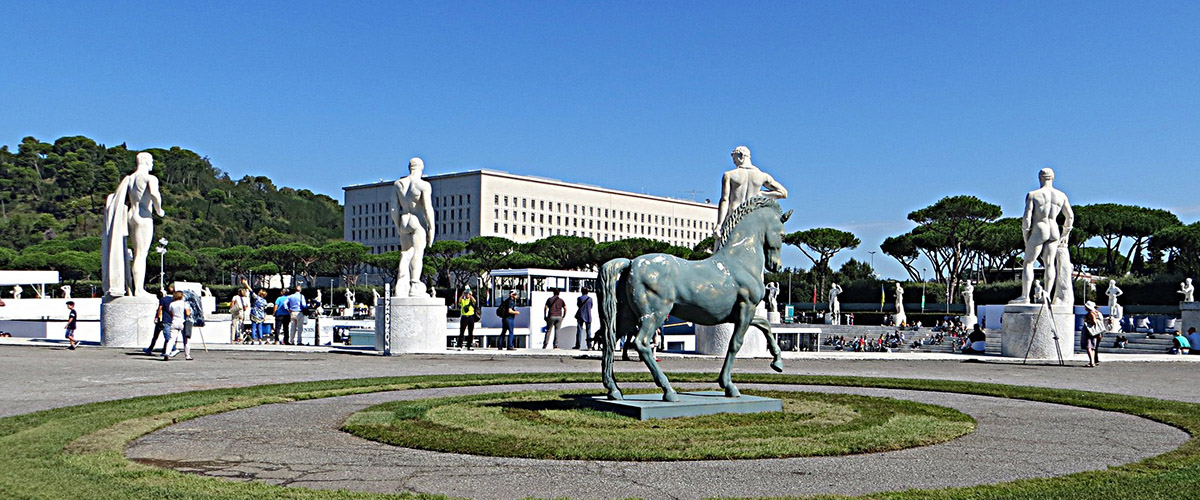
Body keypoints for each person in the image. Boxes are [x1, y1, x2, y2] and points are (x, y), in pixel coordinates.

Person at [1013, 168, 1074, 304]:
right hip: (1054, 229)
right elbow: (1070, 216)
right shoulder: (1061, 195)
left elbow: (1026, 218)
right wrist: (1066, 234)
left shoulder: (1033, 195)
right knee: (1049, 264)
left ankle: (1025, 296)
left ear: (1040, 178)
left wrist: (1025, 235)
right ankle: (1047, 295)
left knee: (1028, 262)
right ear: (1052, 178)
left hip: (1040, 228)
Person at [389, 157, 435, 297]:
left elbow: (393, 209)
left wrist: (398, 225)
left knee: (406, 253)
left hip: (403, 220)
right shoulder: (423, 185)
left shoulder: (398, 184)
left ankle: (401, 284)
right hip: (416, 220)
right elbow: (427, 208)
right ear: (421, 168)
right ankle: (414, 285)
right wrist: (431, 228)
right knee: (417, 253)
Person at [144, 285, 175, 354]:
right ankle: (165, 350)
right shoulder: (175, 300)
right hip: (170, 319)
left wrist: (157, 317)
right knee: (168, 335)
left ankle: (150, 349)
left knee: (157, 336)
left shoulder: (163, 299)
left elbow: (160, 309)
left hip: (162, 320)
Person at [164, 291, 193, 361]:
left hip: (174, 321)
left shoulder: (172, 304)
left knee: (171, 339)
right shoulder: (184, 303)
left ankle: (167, 353)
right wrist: (190, 312)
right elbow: (187, 313)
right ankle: (187, 355)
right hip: (183, 322)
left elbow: (171, 313)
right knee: (186, 340)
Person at [243, 280, 268, 345]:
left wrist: (246, 284)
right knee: (260, 328)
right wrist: (264, 317)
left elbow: (251, 291)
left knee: (253, 328)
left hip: (254, 314)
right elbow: (265, 310)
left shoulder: (257, 298)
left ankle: (253, 340)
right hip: (261, 316)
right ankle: (260, 339)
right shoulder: (265, 301)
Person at [1082, 301, 1104, 367]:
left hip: (1091, 331)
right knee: (1094, 347)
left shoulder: (1091, 313)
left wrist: (1087, 321)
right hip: (1097, 332)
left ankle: (1092, 361)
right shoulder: (1098, 313)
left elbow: (1094, 322)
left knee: (1089, 347)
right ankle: (1093, 361)